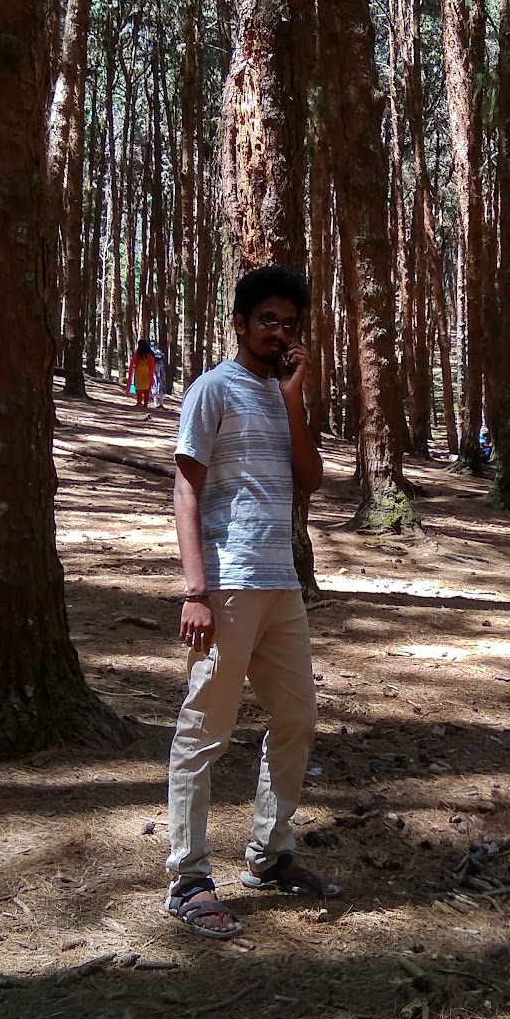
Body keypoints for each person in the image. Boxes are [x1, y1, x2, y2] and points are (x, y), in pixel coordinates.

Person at [164, 265, 339, 938]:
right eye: (268, 321)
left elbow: (311, 480)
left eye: (289, 325)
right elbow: (185, 491)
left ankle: (268, 855)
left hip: (280, 585)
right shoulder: (212, 390)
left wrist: (295, 400)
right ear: (240, 323)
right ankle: (187, 877)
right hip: (228, 584)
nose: (279, 334)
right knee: (204, 728)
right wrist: (196, 590)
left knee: (297, 716)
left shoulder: (282, 395)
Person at [126, 339, 155, 415]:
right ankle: (145, 404)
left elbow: (133, 362)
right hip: (147, 371)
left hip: (139, 371)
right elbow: (152, 364)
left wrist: (131, 371)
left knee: (139, 387)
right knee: (146, 388)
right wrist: (151, 373)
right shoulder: (150, 354)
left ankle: (139, 402)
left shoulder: (138, 353)